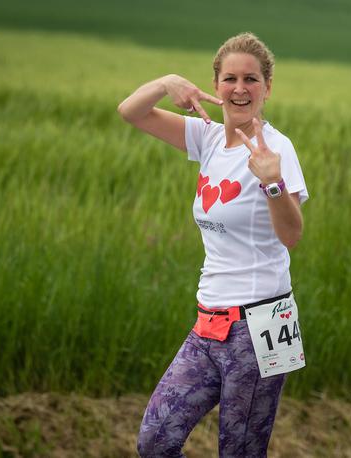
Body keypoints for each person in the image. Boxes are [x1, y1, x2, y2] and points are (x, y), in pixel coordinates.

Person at [117, 32, 309, 457]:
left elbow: (292, 236)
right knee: (156, 440)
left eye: (252, 79)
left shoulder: (277, 149)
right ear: (216, 85)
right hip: (208, 321)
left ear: (267, 88)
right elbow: (131, 111)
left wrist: (272, 182)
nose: (240, 89)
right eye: (230, 79)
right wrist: (167, 82)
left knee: (240, 452)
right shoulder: (206, 137)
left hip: (261, 324)